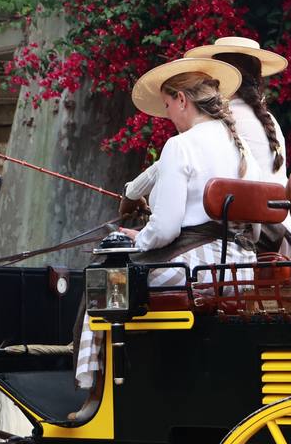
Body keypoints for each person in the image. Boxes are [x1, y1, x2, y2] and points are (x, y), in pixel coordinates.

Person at [75, 57, 261, 390]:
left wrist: (137, 241)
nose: (169, 115)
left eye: (167, 105)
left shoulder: (180, 146)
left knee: (103, 279)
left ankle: (92, 385)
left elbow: (166, 229)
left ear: (182, 100)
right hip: (241, 266)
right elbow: (255, 225)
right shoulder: (240, 146)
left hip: (197, 269)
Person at [120, 36, 291, 251]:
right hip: (280, 236)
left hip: (261, 241)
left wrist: (133, 193)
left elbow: (172, 166)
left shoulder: (220, 126)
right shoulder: (267, 120)